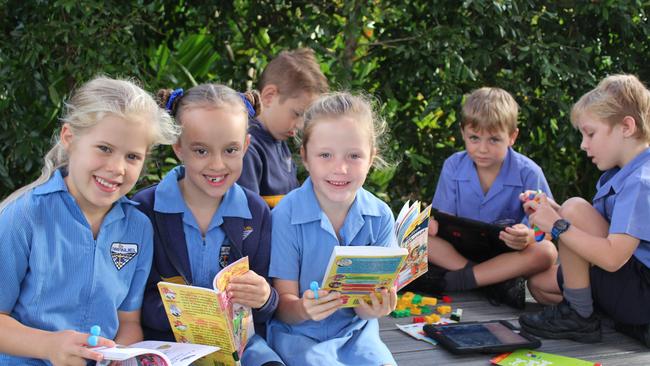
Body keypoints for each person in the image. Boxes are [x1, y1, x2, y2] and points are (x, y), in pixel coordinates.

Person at [0, 76, 179, 365]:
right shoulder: (24, 216)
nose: (116, 168)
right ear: (69, 138)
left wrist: (121, 355)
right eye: (104, 148)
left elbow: (128, 320)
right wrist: (49, 346)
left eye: (132, 156)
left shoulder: (138, 227)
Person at [132, 84, 283, 365]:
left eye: (230, 150)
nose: (217, 164)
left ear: (246, 146)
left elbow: (269, 303)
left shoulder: (256, 211)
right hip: (168, 346)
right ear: (178, 148)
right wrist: (189, 314)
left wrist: (263, 297)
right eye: (201, 151)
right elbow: (131, 301)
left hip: (242, 346)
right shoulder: (146, 209)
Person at [267, 92, 398, 365]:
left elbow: (368, 308)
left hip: (356, 334)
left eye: (354, 156)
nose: (340, 168)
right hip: (297, 334)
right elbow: (282, 307)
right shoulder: (285, 215)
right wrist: (304, 309)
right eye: (325, 155)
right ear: (305, 157)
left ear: (371, 158)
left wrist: (375, 308)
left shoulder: (381, 215)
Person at [519, 74, 650, 346]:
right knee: (540, 285)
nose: (583, 144)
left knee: (575, 208)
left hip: (642, 291)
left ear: (626, 126)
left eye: (590, 133)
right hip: (631, 286)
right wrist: (552, 210)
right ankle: (606, 318)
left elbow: (614, 258)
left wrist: (558, 223)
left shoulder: (641, 182)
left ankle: (580, 318)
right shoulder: (621, 173)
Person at [418, 87, 557, 309]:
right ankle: (490, 282)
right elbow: (443, 219)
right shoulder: (453, 165)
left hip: (508, 255)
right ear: (463, 132)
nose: (482, 149)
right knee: (419, 237)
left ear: (512, 137)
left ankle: (465, 280)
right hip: (461, 251)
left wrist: (529, 236)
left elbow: (547, 231)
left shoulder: (529, 172)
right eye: (474, 138)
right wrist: (432, 225)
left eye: (494, 140)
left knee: (546, 252)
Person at [238, 48, 329, 208]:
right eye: (297, 113)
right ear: (269, 96)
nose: (301, 125)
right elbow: (249, 218)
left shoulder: (279, 141)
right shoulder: (248, 148)